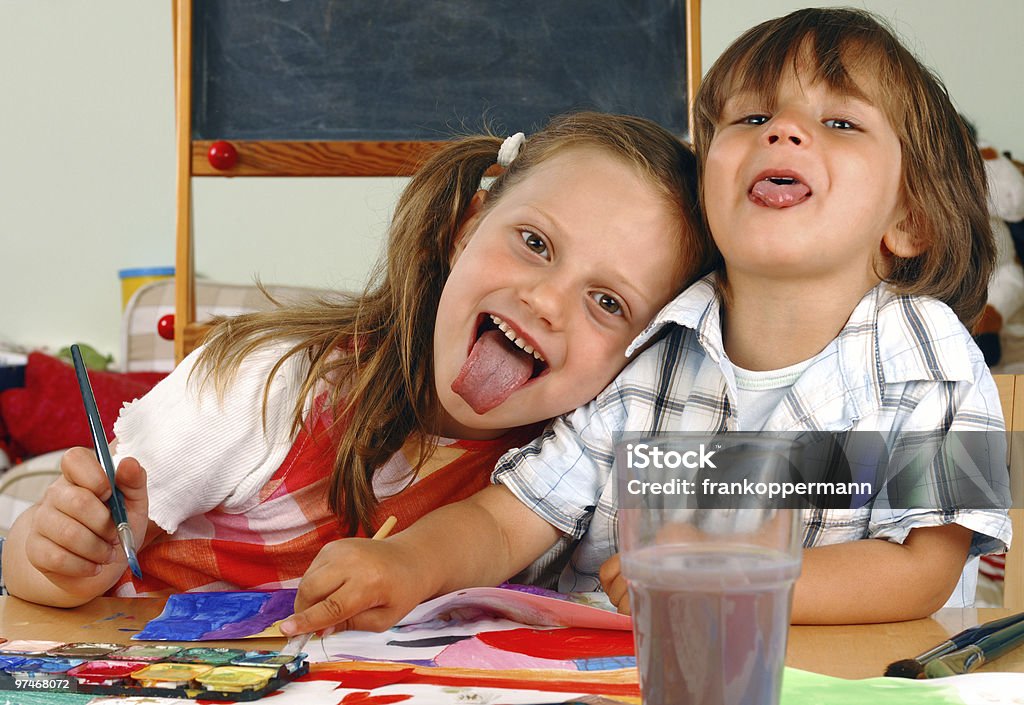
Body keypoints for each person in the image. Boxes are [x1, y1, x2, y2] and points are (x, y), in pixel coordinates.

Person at [276, 8, 1011, 637]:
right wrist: (409, 563)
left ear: (909, 219)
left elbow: (925, 567)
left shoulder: (933, 353)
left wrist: (738, 578)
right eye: (751, 117)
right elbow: (509, 520)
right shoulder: (648, 355)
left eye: (840, 121)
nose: (782, 132)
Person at [1, 111, 712, 608]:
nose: (549, 301)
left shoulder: (566, 468)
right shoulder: (272, 384)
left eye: (608, 303)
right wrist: (56, 555)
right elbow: (42, 569)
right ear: (465, 229)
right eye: (535, 243)